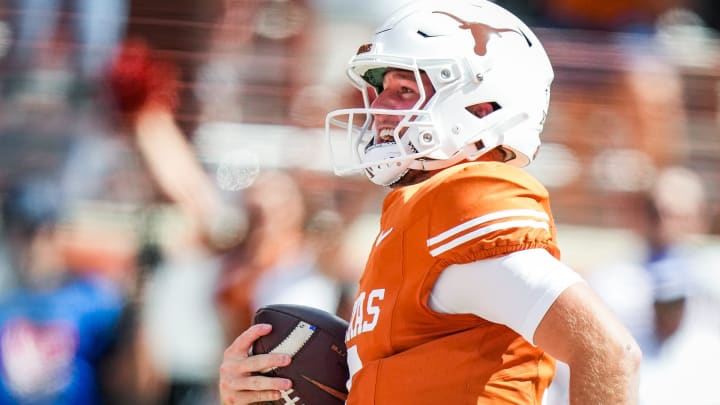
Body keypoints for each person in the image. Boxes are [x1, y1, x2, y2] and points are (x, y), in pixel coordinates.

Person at [218, 1, 641, 404]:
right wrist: (261, 390)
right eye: (381, 90)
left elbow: (607, 351)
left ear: (481, 106)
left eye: (404, 90)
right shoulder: (413, 212)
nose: (379, 107)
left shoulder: (464, 203)